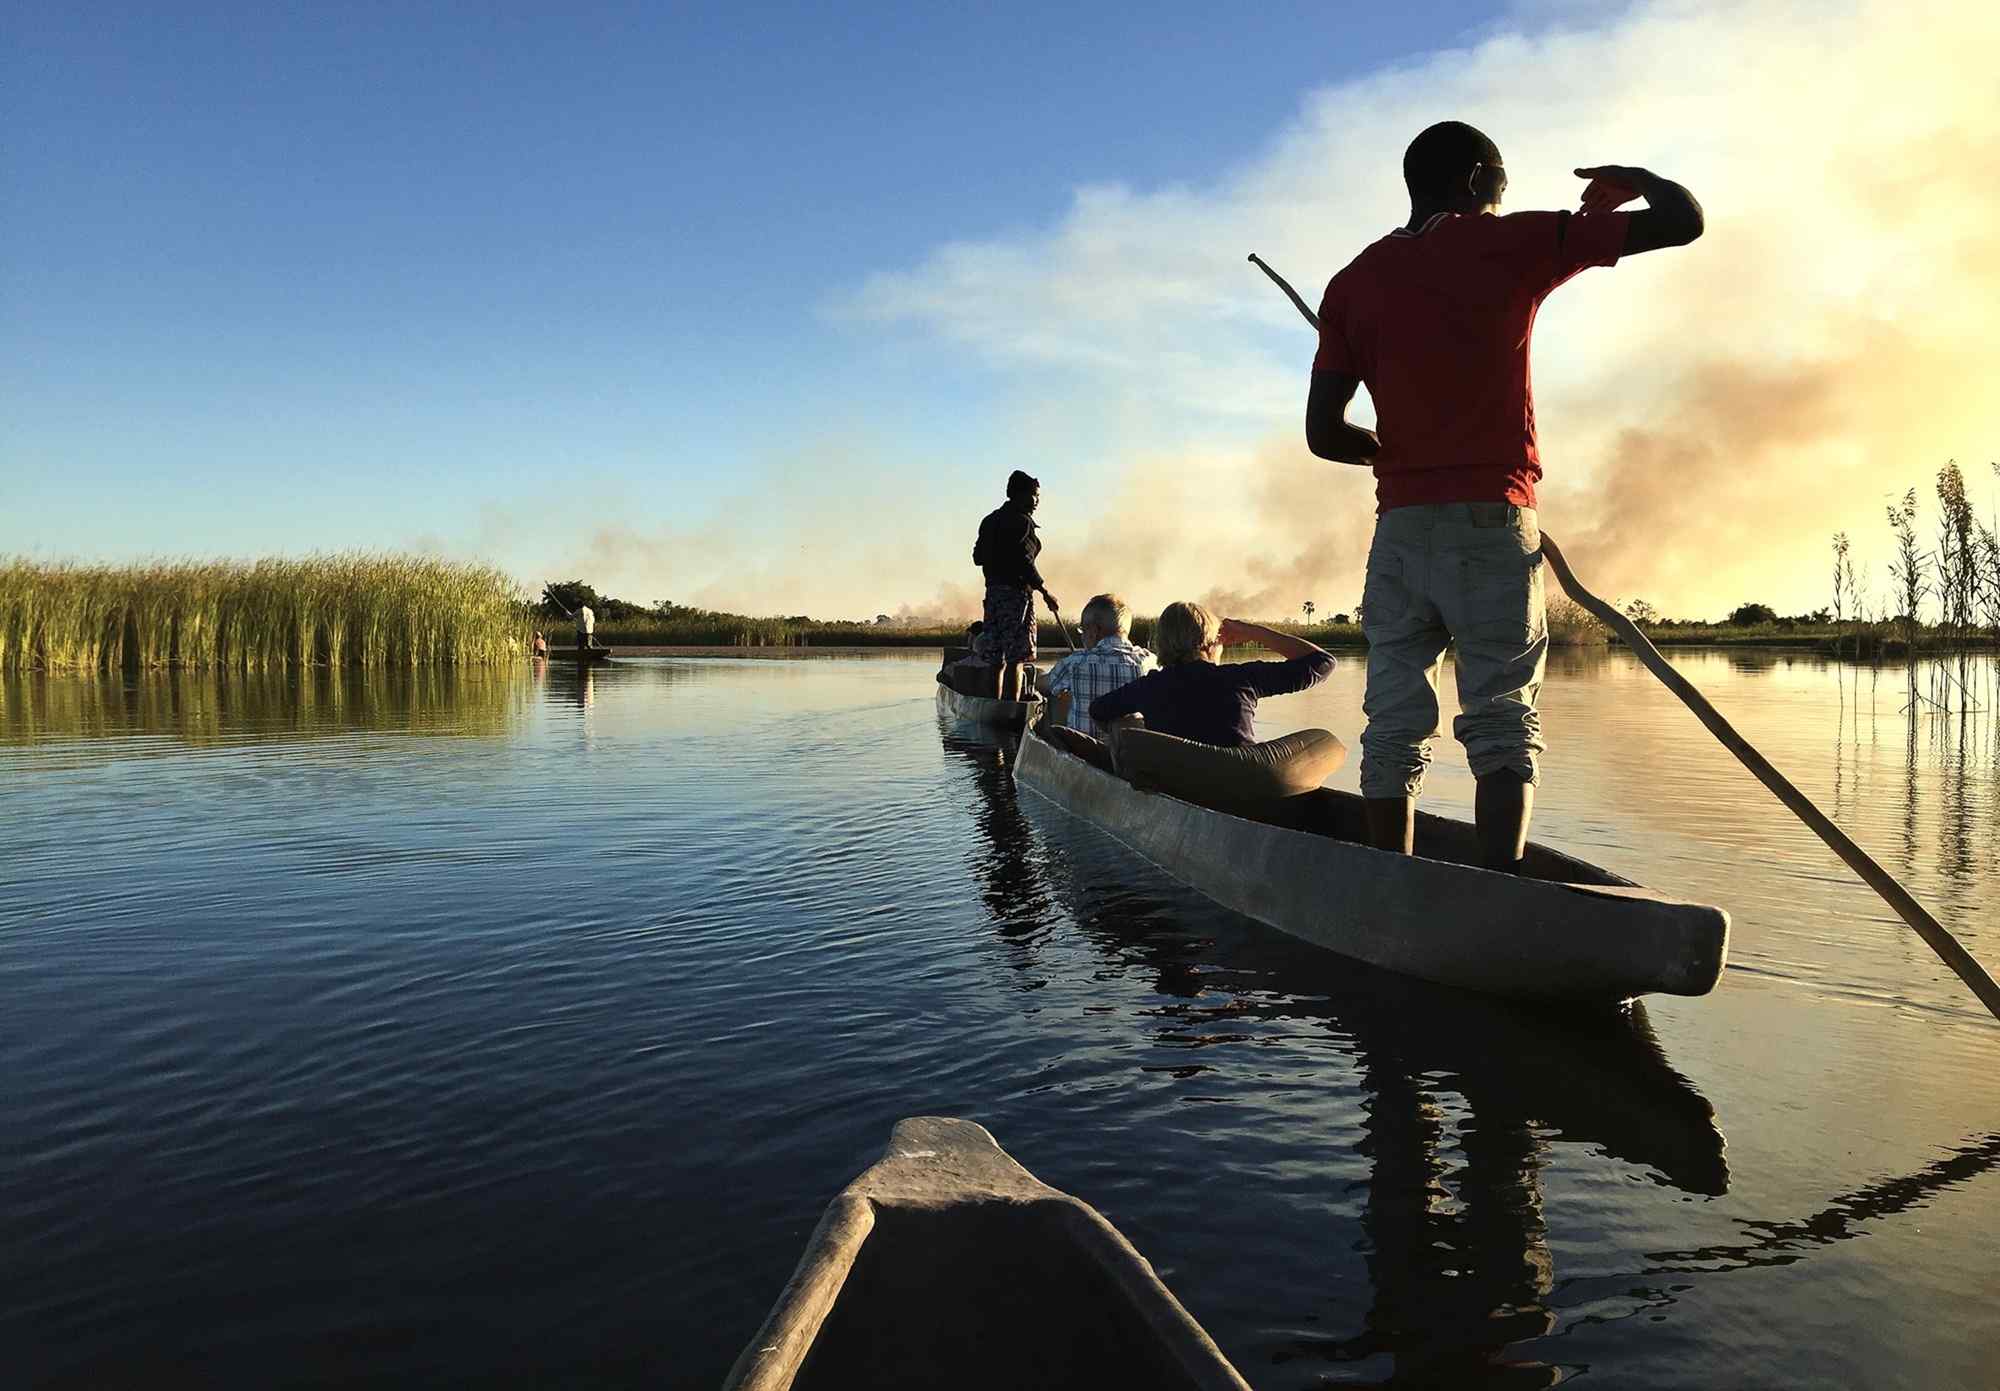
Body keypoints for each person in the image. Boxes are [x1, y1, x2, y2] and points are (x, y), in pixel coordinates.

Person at [1304, 120, 1703, 869]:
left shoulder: (1352, 284)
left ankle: (1387, 885)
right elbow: (1684, 223)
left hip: (1400, 532)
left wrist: (1385, 449)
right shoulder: (1513, 243)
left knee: (1393, 723)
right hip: (1493, 523)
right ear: (1475, 178)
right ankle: (1499, 892)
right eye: (1501, 185)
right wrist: (1635, 177)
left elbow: (1325, 433)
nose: (1502, 198)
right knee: (1501, 721)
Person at [1089, 602, 1332, 747]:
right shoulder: (1243, 679)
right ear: (1210, 643)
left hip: (1178, 785)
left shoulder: (1147, 688)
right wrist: (1253, 632)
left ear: (1162, 643)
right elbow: (1323, 662)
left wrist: (1136, 727)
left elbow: (1098, 711)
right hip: (1243, 787)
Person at [973, 470, 1059, 702]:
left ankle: (994, 707)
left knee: (996, 659)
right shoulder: (1022, 522)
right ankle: (1011, 710)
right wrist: (1044, 591)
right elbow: (1024, 561)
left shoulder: (990, 520)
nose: (1037, 501)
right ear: (1019, 495)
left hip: (993, 597)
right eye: (1034, 496)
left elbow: (978, 557)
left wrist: (998, 557)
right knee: (1016, 659)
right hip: (1016, 598)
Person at [1040, 593, 1156, 738]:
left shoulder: (1075, 662)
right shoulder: (1150, 662)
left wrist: (1039, 677)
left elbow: (1045, 686)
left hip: (1083, 753)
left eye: (1082, 630)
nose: (1081, 636)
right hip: (1129, 755)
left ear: (1094, 631)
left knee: (1056, 693)